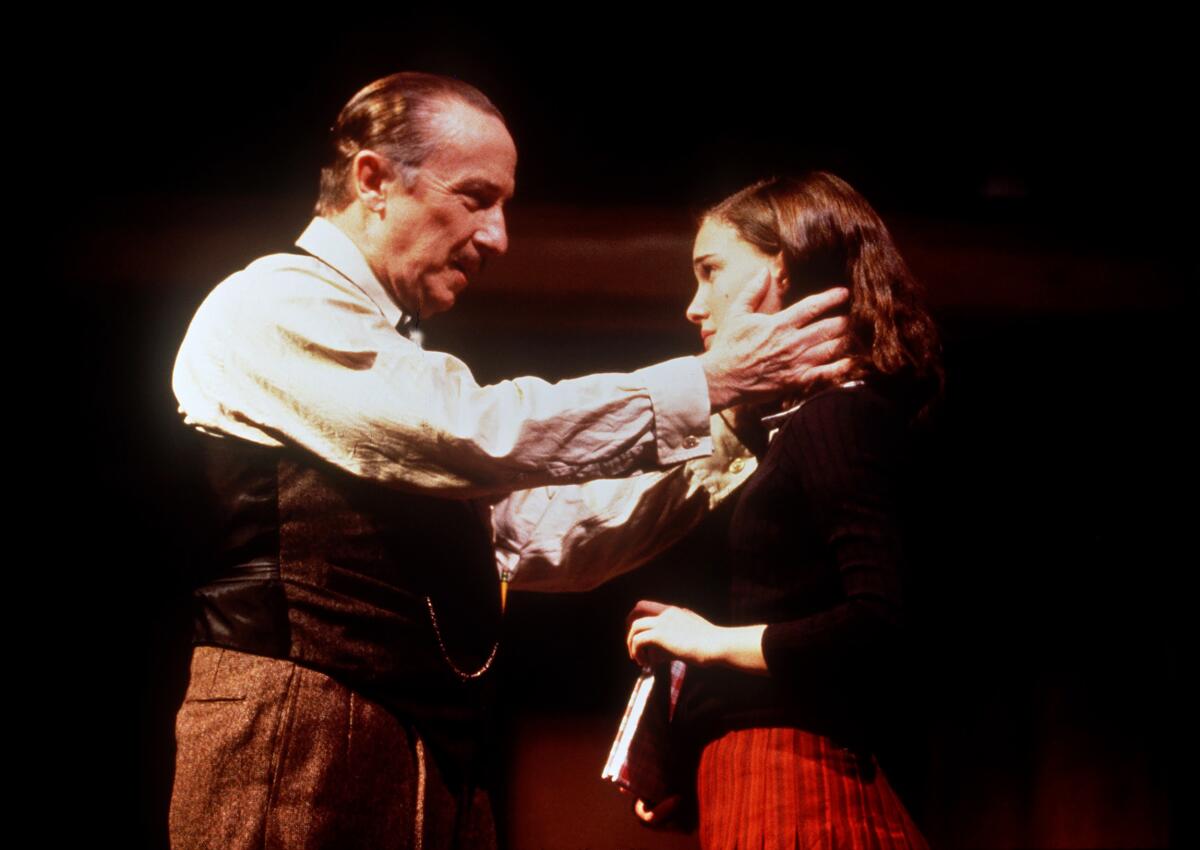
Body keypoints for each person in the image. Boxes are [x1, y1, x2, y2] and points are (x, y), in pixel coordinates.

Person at [168, 72, 851, 850]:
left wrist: (731, 422)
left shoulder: (388, 353)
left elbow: (537, 537)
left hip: (428, 745)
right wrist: (711, 380)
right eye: (476, 197)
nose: (498, 237)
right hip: (295, 739)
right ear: (374, 180)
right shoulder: (272, 303)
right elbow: (472, 430)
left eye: (504, 206)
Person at [625, 172, 942, 849]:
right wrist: (682, 760)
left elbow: (879, 619)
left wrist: (708, 639)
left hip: (797, 795)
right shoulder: (799, 428)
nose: (693, 305)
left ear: (784, 268)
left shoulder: (838, 417)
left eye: (711, 272)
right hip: (757, 785)